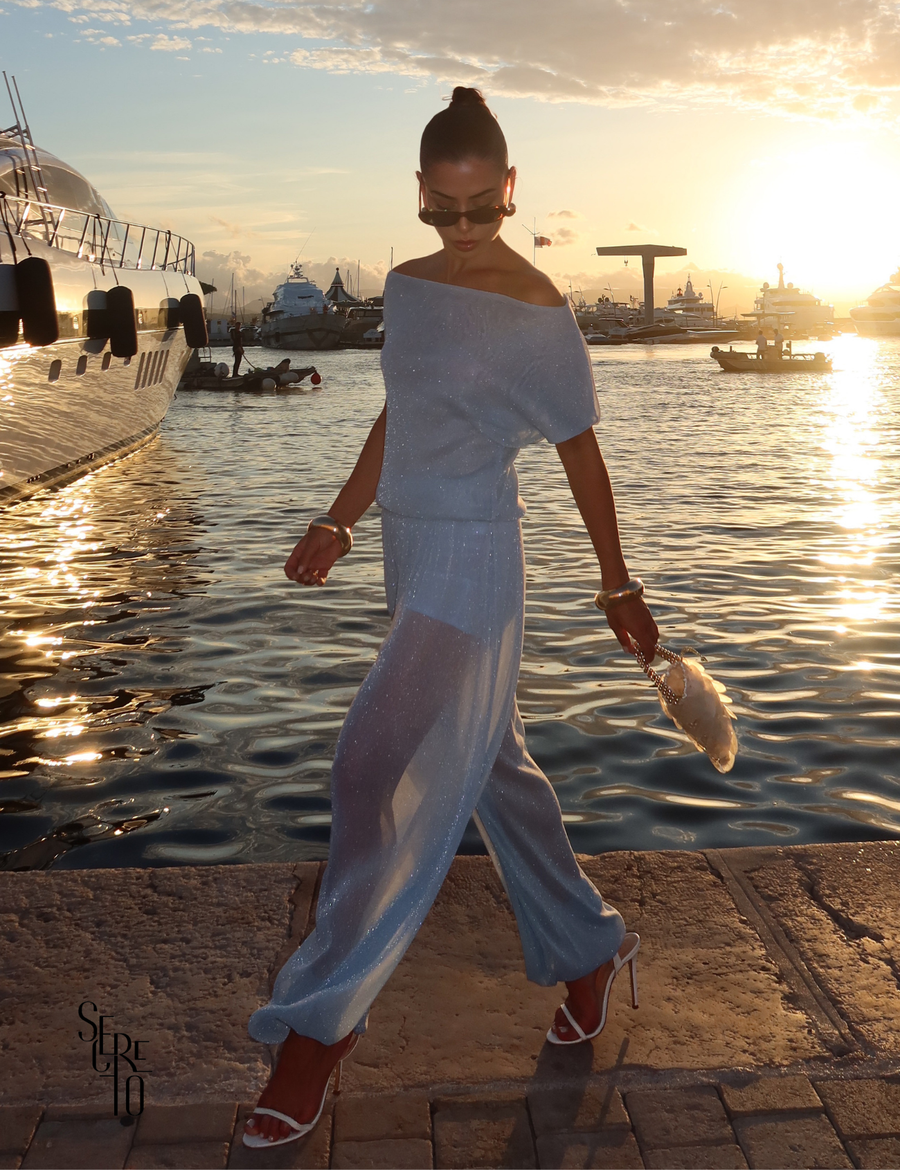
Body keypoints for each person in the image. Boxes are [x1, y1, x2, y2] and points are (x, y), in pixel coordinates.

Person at [243, 86, 659, 1149]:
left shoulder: (539, 313)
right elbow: (402, 410)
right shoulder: (410, 289)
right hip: (407, 549)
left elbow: (580, 453)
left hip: (477, 560)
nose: (464, 230)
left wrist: (619, 586)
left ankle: (316, 1036)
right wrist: (339, 520)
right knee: (494, 772)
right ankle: (587, 947)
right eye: (445, 209)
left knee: (370, 765)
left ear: (510, 189)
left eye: (483, 209)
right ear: (420, 194)